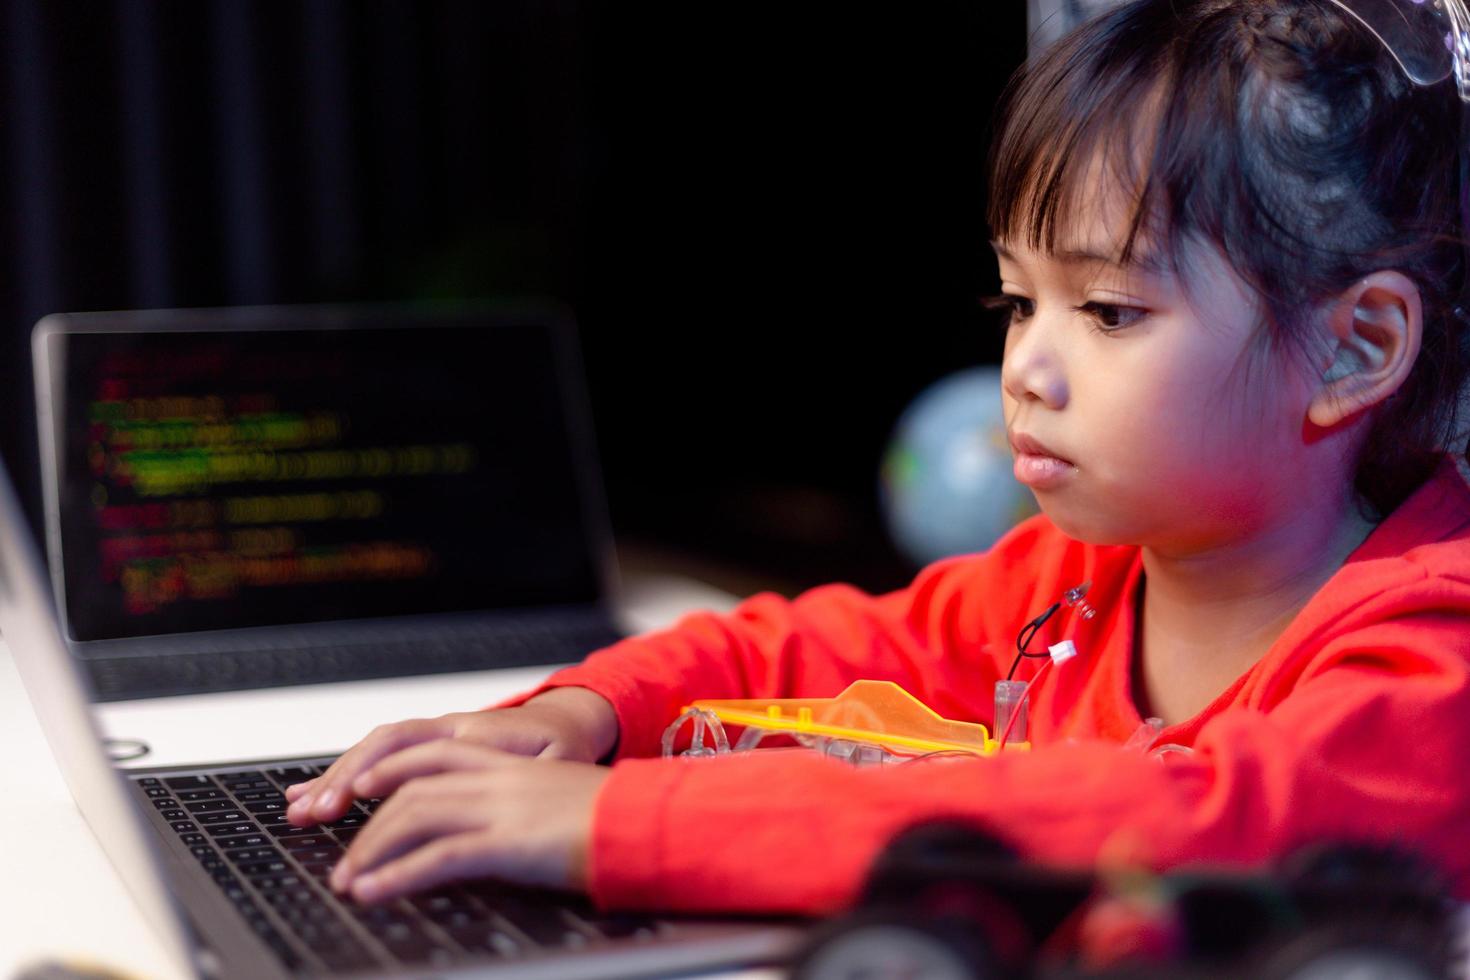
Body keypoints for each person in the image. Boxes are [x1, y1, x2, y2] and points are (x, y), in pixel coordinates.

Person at [287, 0, 1470, 914]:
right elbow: (835, 641)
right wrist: (594, 712)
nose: (1026, 370)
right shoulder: (1069, 580)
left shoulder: (1432, 657)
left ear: (1354, 349)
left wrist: (621, 825)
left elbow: (1189, 821)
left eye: (1109, 311)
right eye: (1019, 302)